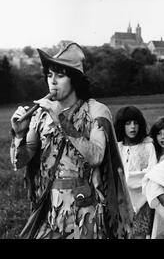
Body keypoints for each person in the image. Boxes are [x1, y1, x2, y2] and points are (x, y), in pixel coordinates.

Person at [10, 43, 133, 239]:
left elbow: (96, 157)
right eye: (49, 75)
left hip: (86, 212)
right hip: (50, 209)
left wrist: (62, 120)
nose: (53, 82)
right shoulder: (41, 115)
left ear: (74, 80)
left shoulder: (96, 111)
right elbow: (20, 161)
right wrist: (18, 135)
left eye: (60, 75)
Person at [114, 106, 157, 239]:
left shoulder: (148, 146)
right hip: (119, 202)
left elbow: (151, 173)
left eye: (135, 123)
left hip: (142, 203)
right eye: (128, 123)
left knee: (139, 235)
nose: (133, 127)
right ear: (122, 126)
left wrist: (127, 178)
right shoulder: (117, 148)